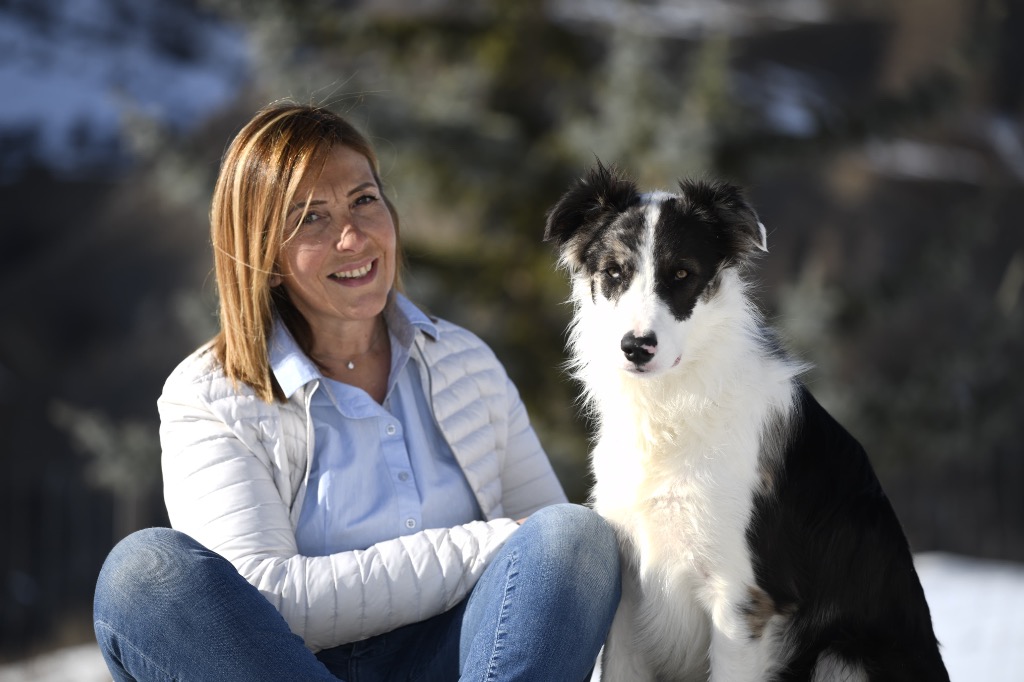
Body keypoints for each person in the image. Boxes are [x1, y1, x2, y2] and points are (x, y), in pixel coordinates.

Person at [91, 102, 621, 681]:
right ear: (265, 254)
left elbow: (548, 557)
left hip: (464, 659)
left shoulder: (464, 363)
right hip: (290, 669)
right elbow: (258, 604)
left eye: (364, 200)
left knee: (575, 535)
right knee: (142, 574)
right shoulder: (209, 397)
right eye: (311, 217)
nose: (353, 236)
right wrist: (480, 547)